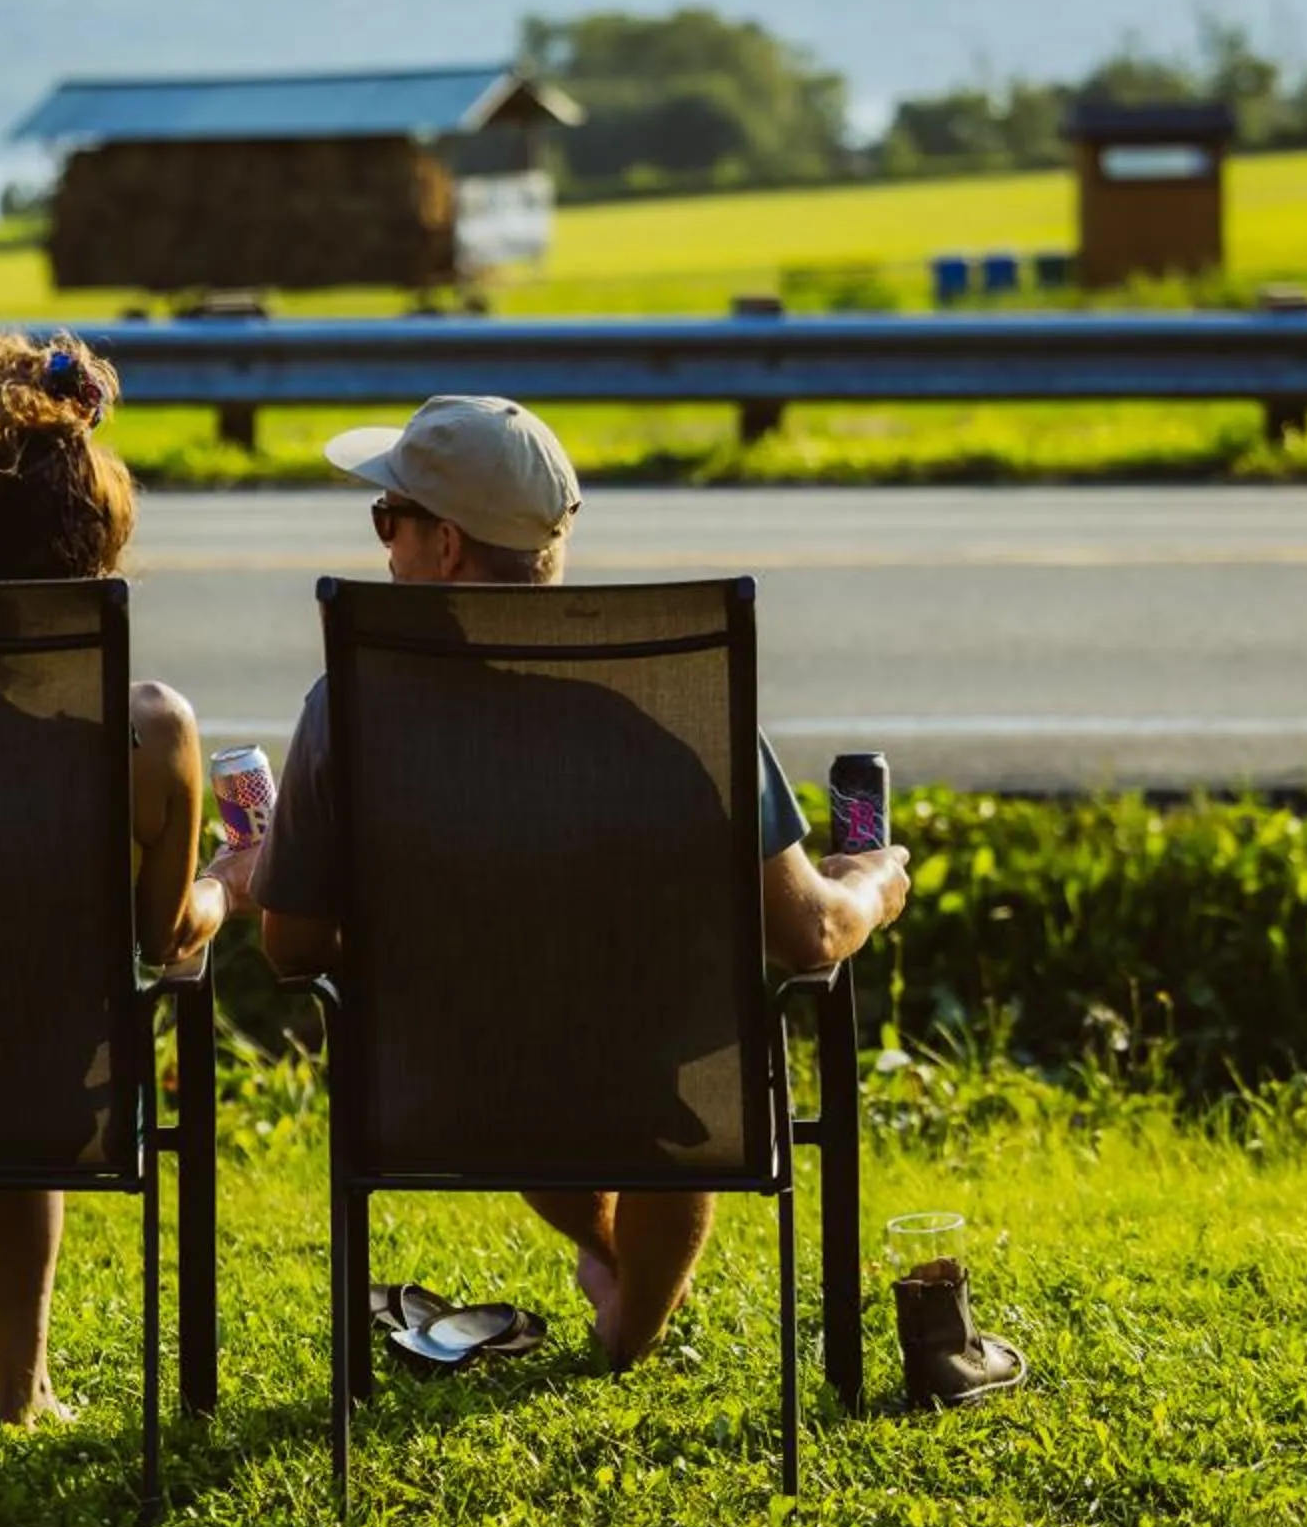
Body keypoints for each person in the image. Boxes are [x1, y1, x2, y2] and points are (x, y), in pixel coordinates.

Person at [202, 395, 912, 1370]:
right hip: (664, 1102)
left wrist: (263, 869)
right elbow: (809, 936)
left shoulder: (348, 710)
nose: (384, 547)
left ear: (445, 547)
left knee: (523, 1044)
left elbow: (291, 948)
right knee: (643, 1053)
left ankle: (620, 1287)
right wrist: (872, 878)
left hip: (450, 1089)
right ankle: (634, 1324)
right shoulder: (681, 704)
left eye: (388, 519)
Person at [0, 329, 228, 1424]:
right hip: (47, 1086)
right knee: (27, 1005)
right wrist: (230, 882)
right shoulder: (150, 729)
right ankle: (16, 1387)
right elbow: (164, 938)